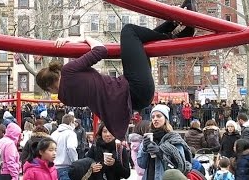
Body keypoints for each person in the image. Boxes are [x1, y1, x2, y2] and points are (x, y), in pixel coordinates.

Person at [35, 0, 196, 140]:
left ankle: (177, 26)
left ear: (48, 88)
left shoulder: (66, 99)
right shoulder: (69, 72)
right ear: (56, 73)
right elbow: (100, 50)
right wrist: (80, 39)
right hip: (134, 87)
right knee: (129, 31)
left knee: (139, 44)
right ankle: (177, 34)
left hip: (136, 100)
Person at [137, 104, 193, 180]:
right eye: (153, 117)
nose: (155, 119)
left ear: (165, 119)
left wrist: (160, 152)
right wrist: (144, 148)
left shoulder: (174, 139)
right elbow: (141, 164)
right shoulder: (149, 138)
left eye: (158, 116)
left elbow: (180, 166)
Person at [51, 114, 78, 180]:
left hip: (53, 167)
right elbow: (71, 147)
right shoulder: (71, 133)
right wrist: (76, 162)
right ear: (71, 122)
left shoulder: (54, 133)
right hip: (66, 167)